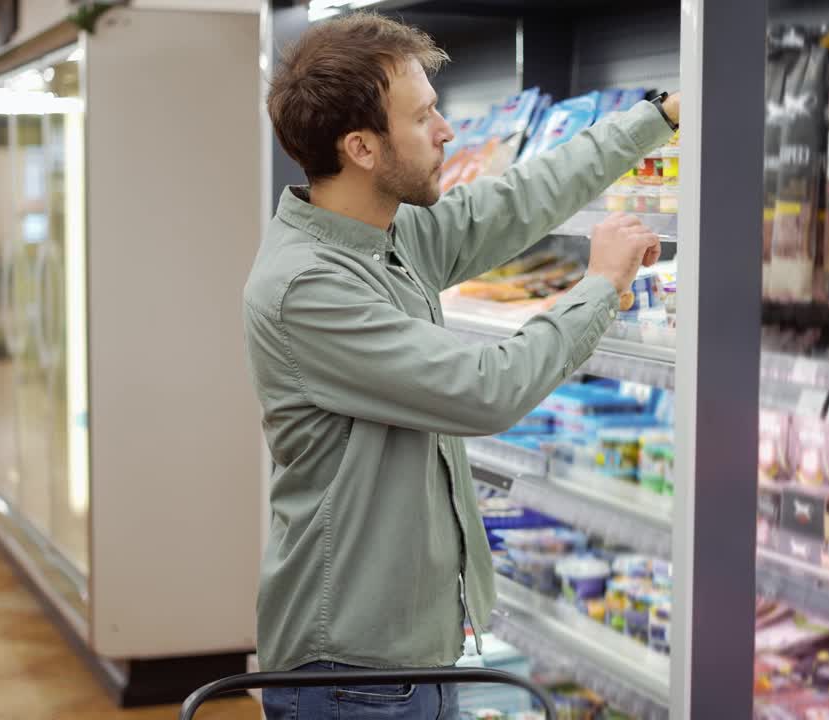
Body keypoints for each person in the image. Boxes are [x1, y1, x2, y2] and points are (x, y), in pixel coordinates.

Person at [243, 12, 680, 720]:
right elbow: (485, 390)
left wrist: (656, 118)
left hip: (408, 660)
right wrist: (600, 285)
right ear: (361, 147)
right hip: (354, 674)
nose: (447, 131)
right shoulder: (308, 287)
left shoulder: (384, 233)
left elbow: (511, 203)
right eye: (423, 118)